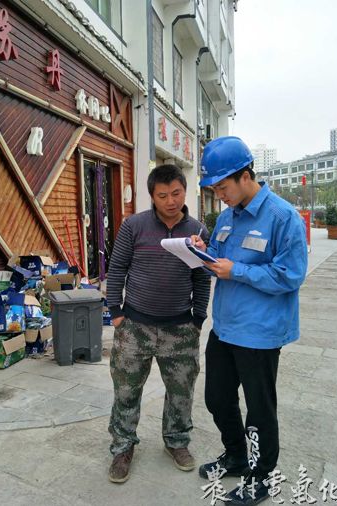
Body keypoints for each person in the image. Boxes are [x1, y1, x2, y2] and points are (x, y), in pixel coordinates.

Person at [191, 136, 308, 505]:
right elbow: (217, 261)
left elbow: (291, 275)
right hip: (224, 327)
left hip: (259, 333)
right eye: (214, 188)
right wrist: (200, 251)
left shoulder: (281, 217)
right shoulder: (225, 218)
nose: (219, 194)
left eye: (222, 186)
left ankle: (260, 477)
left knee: (259, 409)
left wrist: (237, 270)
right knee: (216, 398)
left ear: (245, 176)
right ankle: (236, 456)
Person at [106, 164, 211, 483]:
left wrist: (197, 318)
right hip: (135, 326)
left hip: (180, 329)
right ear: (152, 196)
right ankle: (123, 446)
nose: (170, 201)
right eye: (163, 195)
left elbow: (201, 277)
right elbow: (117, 268)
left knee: (181, 391)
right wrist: (117, 313)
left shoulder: (197, 230)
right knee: (126, 389)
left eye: (176, 193)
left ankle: (177, 442)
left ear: (184, 191)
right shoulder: (134, 226)